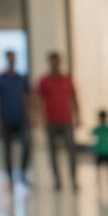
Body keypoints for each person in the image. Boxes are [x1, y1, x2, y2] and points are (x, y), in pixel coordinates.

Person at [37, 50, 79, 191]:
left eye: (56, 61)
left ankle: (73, 179)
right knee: (53, 152)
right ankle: (57, 180)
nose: (54, 64)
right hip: (51, 120)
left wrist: (77, 116)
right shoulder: (44, 81)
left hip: (66, 119)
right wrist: (39, 118)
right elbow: (38, 100)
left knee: (71, 150)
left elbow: (74, 98)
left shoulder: (67, 79)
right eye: (52, 61)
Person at [0, 49, 32, 189]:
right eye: (10, 58)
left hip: (20, 117)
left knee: (26, 145)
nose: (12, 60)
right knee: (7, 149)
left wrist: (29, 115)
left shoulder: (21, 79)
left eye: (14, 58)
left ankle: (22, 173)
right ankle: (10, 177)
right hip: (6, 118)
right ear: (7, 59)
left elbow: (26, 98)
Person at [91, 109, 108, 184]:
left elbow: (92, 132)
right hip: (105, 150)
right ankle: (106, 178)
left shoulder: (99, 128)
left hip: (102, 150)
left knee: (103, 166)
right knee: (106, 166)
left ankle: (106, 178)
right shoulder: (106, 128)